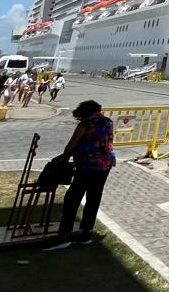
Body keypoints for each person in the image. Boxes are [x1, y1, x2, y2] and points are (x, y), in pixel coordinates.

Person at [46, 100, 116, 250]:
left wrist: (64, 157)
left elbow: (71, 146)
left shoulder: (86, 124)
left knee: (72, 198)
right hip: (105, 165)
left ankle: (64, 235)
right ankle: (86, 233)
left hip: (87, 165)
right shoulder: (108, 122)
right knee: (94, 198)